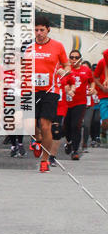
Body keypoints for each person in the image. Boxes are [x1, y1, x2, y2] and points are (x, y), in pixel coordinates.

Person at [29, 13, 69, 172]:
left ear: (48, 30)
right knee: (30, 125)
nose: (39, 33)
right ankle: (37, 139)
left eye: (41, 30)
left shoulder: (57, 46)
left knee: (46, 126)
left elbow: (67, 66)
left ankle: (44, 160)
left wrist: (63, 72)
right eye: (36, 30)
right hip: (30, 90)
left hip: (50, 91)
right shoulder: (28, 47)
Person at [63, 50, 93, 161]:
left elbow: (92, 81)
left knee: (76, 125)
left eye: (77, 57)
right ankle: (69, 142)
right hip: (67, 103)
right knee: (66, 126)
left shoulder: (86, 70)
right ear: (69, 58)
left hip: (80, 102)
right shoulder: (67, 70)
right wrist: (68, 90)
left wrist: (92, 88)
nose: (74, 59)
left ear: (80, 58)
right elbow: (62, 83)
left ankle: (75, 151)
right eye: (72, 57)